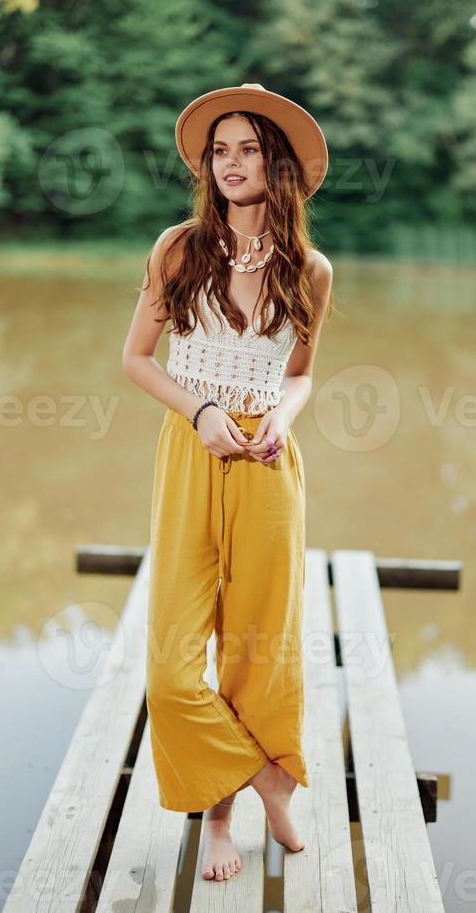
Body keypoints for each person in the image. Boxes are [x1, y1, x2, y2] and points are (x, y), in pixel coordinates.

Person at [122, 82, 333, 883]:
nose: (232, 163)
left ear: (278, 165)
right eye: (221, 150)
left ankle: (223, 819)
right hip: (191, 449)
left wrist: (280, 415)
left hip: (270, 469)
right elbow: (136, 359)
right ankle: (263, 770)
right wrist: (202, 408)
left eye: (249, 149)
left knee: (258, 648)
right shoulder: (179, 248)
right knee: (173, 670)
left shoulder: (309, 269)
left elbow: (304, 374)